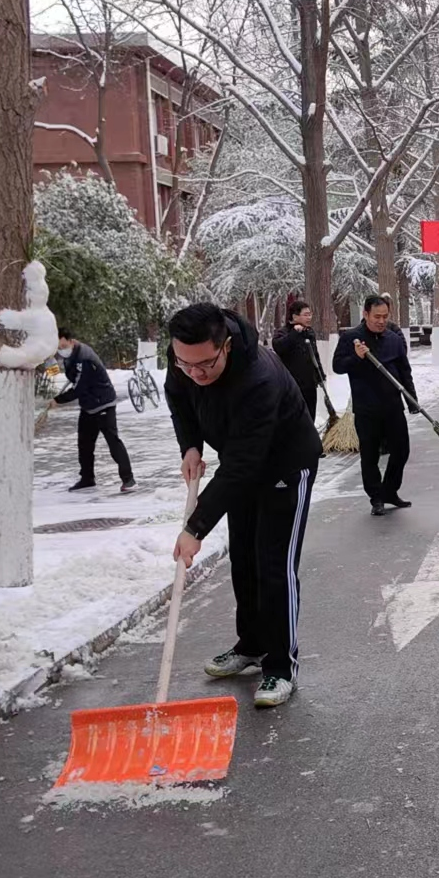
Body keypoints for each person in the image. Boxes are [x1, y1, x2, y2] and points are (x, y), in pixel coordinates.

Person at [166, 302, 321, 708]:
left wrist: (195, 527)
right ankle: (251, 645)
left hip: (285, 465)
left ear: (227, 346)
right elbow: (178, 397)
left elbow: (241, 466)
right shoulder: (185, 356)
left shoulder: (258, 378)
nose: (195, 373)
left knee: (274, 565)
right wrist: (190, 445)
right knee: (244, 560)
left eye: (205, 364)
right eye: (185, 364)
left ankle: (281, 667)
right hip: (243, 462)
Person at [334, 295, 418, 517]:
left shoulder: (393, 339)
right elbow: (337, 366)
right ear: (366, 314)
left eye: (385, 316)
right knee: (370, 455)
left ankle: (389, 490)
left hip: (393, 405)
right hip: (367, 408)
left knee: (401, 450)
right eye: (376, 317)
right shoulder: (352, 338)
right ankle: (376, 497)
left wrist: (412, 400)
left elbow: (404, 371)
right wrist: (356, 357)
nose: (381, 321)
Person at [53, 327, 135, 494]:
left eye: (63, 346)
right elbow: (73, 379)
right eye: (58, 348)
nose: (61, 350)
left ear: (70, 341)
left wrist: (57, 400)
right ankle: (87, 479)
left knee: (113, 442)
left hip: (103, 403)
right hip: (89, 405)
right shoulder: (71, 356)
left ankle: (128, 479)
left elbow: (79, 387)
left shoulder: (84, 358)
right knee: (84, 444)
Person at [272, 299, 322, 420]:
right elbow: (279, 347)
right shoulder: (283, 332)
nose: (309, 318)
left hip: (309, 384)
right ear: (295, 316)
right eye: (306, 315)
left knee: (310, 417)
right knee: (295, 419)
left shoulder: (309, 332)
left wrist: (320, 374)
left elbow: (314, 355)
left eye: (310, 314)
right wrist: (294, 333)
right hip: (292, 386)